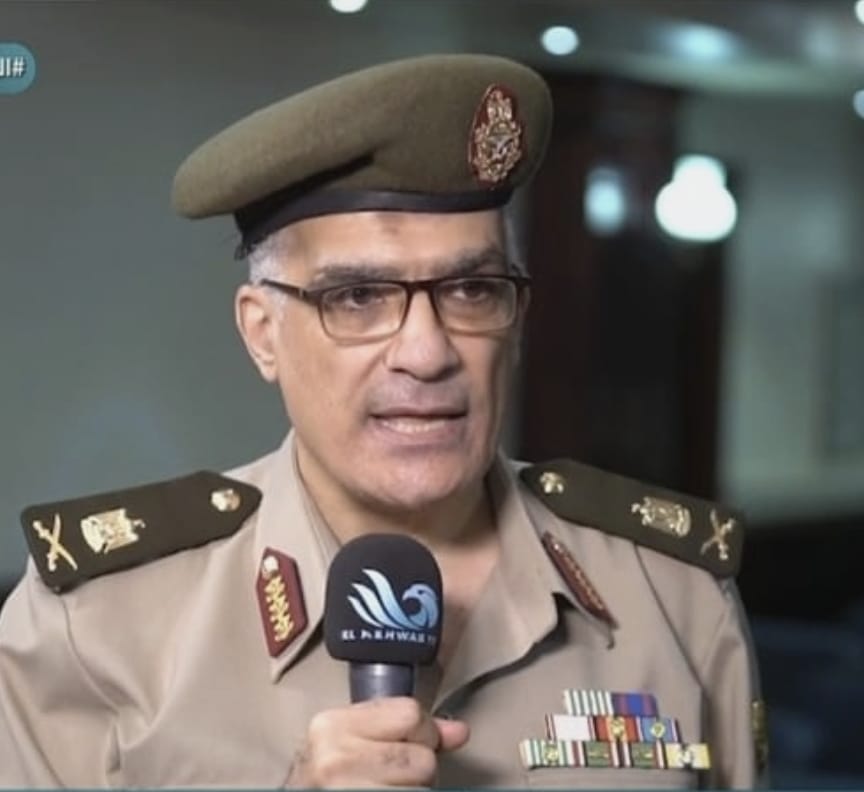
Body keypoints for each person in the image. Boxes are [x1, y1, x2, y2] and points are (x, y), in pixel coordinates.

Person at [0, 53, 766, 788]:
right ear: (263, 334)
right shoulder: (95, 626)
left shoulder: (676, 599)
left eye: (471, 290)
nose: (427, 354)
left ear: (517, 319)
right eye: (358, 298)